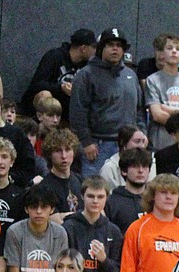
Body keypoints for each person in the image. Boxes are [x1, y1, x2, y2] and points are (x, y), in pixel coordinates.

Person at [69, 28, 142, 178]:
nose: (115, 49)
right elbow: (78, 112)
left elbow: (139, 109)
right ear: (101, 48)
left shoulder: (131, 75)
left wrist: (141, 133)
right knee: (95, 193)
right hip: (97, 146)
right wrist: (86, 141)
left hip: (129, 145)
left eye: (119, 45)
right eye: (110, 45)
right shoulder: (86, 75)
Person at [20, 29, 97, 121]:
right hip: (46, 104)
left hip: (69, 108)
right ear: (83, 48)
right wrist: (61, 88)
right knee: (45, 95)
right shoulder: (54, 56)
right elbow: (37, 84)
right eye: (93, 47)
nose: (95, 51)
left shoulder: (88, 66)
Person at [0, 88, 36, 186]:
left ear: (0, 103)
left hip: (12, 189)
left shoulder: (16, 133)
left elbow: (28, 165)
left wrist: (10, 178)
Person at [105, 147, 152, 233]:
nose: (141, 171)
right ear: (124, 171)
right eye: (135, 166)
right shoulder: (111, 203)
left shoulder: (156, 200)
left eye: (144, 166)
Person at [99, 125, 154, 191]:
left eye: (143, 141)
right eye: (137, 141)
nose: (142, 146)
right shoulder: (109, 168)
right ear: (123, 143)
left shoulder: (151, 163)